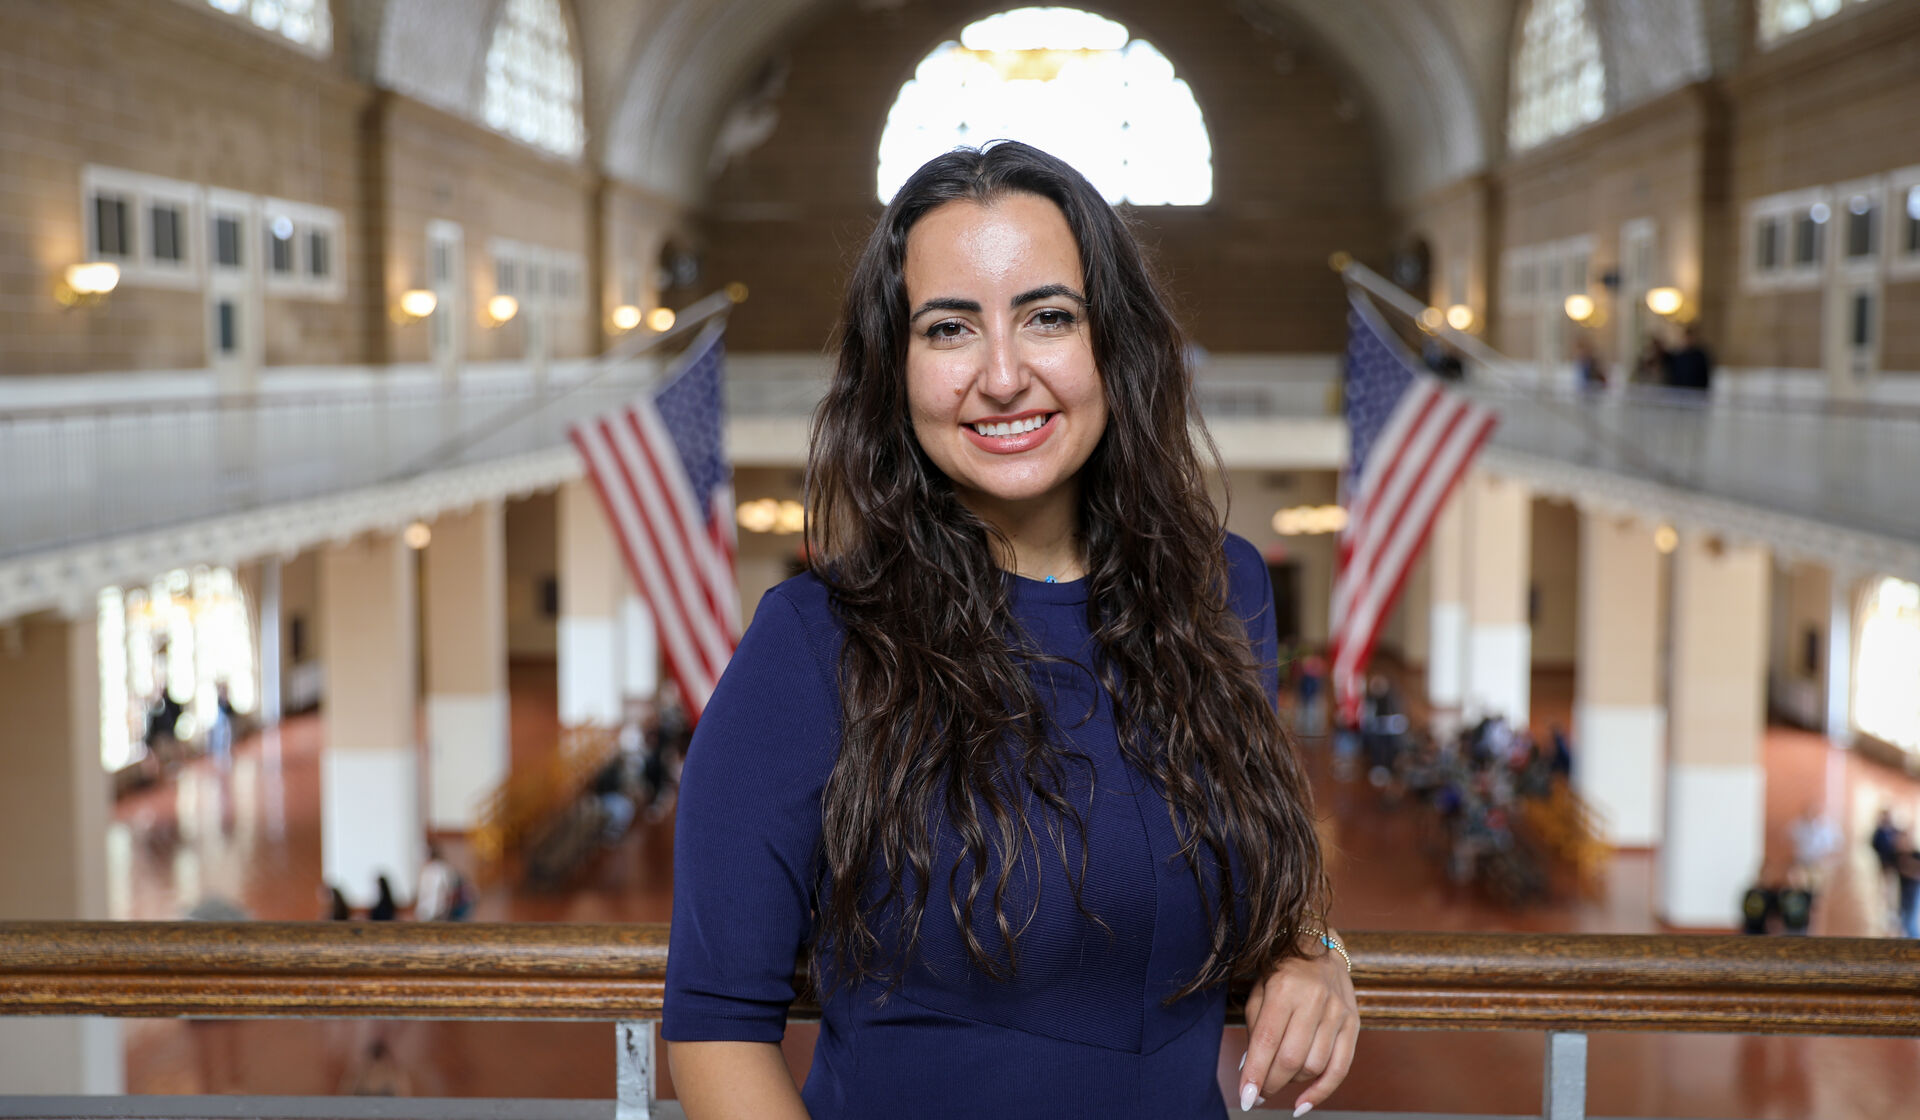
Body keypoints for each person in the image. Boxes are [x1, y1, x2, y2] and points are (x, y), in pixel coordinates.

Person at [664, 142, 1356, 1119]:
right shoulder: (815, 640)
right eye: (950, 328)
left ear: (1111, 341)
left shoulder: (1220, 587)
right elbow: (715, 1030)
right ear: (896, 371)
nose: (1002, 374)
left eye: (1048, 317)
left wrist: (1311, 949)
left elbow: (1264, 836)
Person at [1666, 322, 1713, 392]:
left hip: (1696, 391)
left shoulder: (1700, 356)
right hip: (1678, 391)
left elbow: (1705, 375)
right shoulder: (1678, 354)